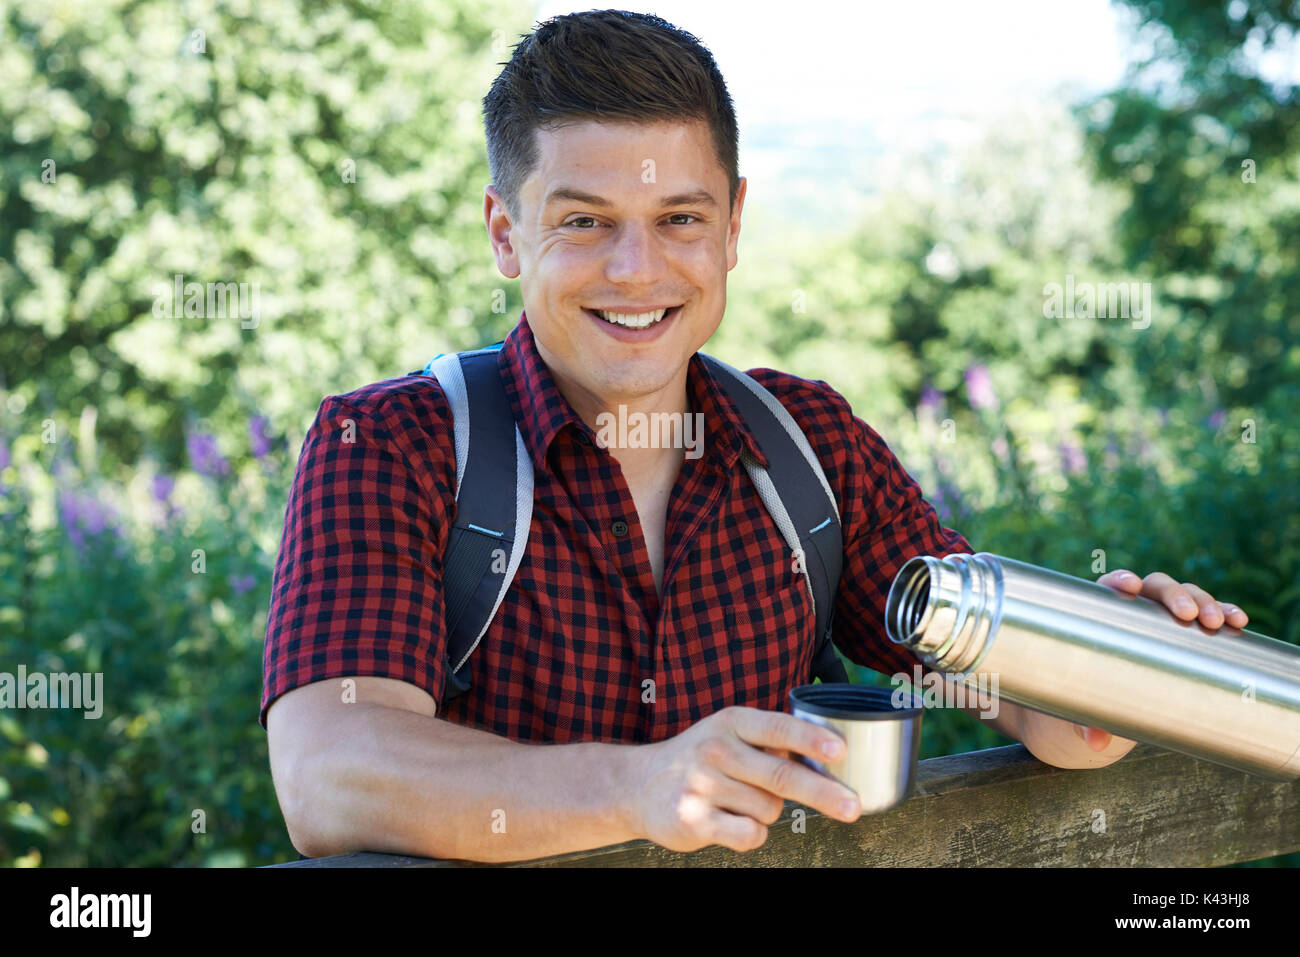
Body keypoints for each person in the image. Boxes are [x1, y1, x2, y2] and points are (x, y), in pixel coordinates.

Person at [259, 9, 1249, 863]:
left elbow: (1031, 710)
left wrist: (1117, 670)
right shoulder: (389, 446)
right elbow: (333, 777)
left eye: (679, 217)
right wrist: (644, 786)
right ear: (505, 234)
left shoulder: (808, 444)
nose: (637, 270)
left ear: (732, 226)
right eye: (585, 222)